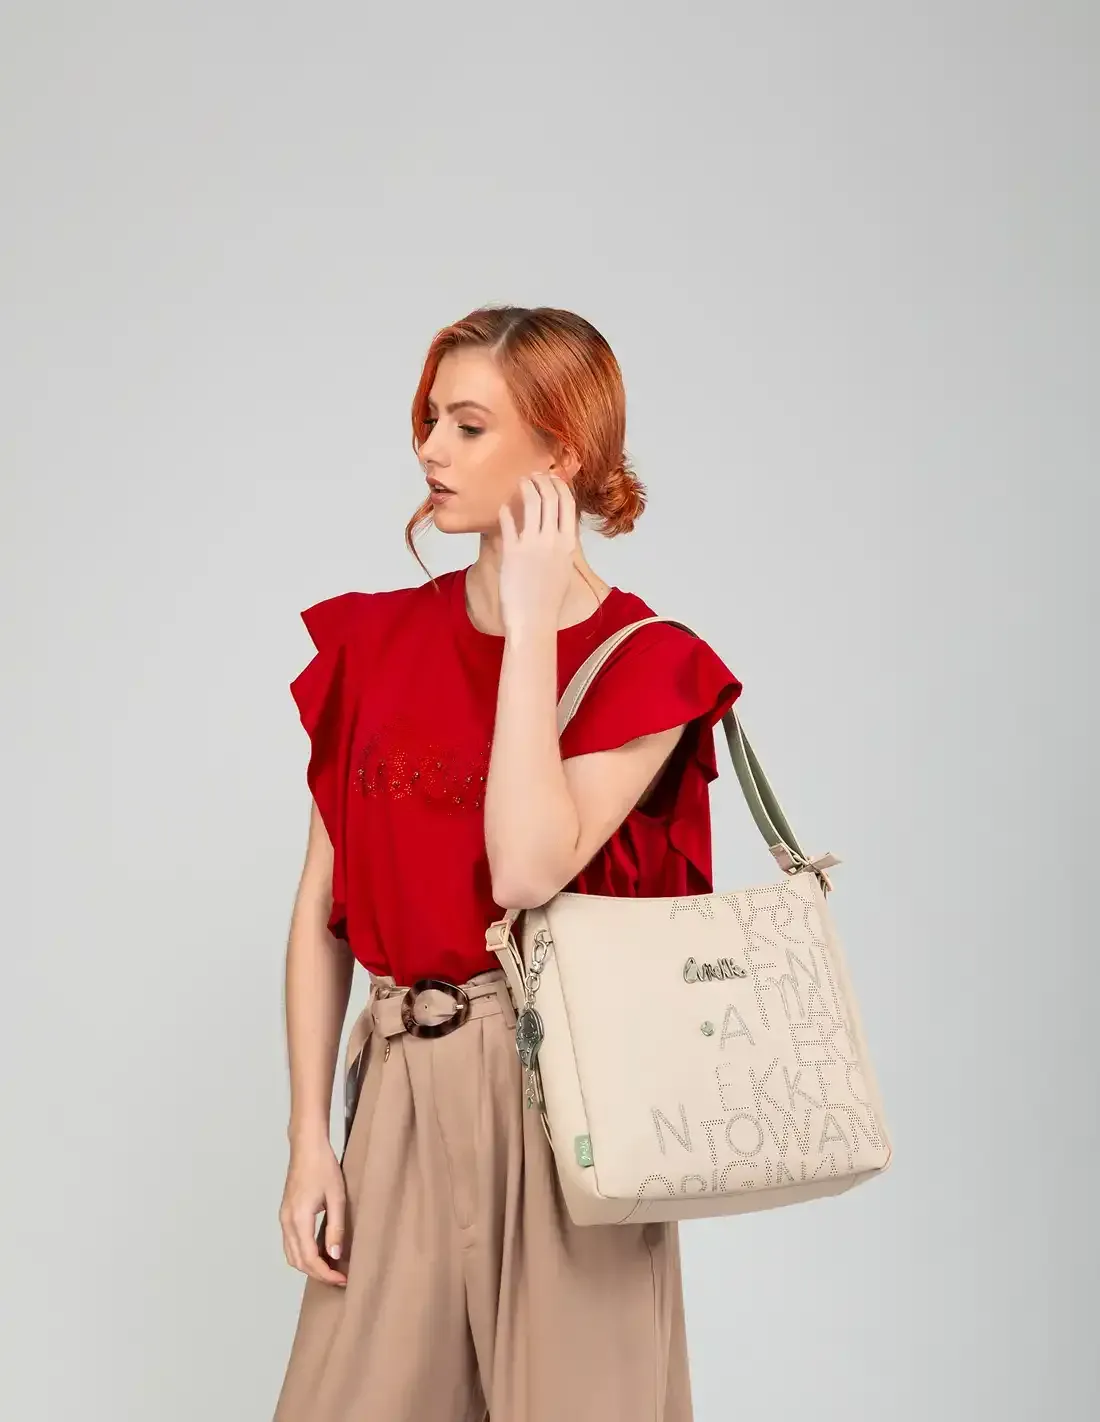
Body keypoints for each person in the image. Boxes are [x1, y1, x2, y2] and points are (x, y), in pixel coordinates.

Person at [271, 305, 742, 1422]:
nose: (430, 448)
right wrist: (307, 1141)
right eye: (431, 418)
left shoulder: (649, 667)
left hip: (572, 1103)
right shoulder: (375, 646)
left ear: (558, 453)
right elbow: (319, 912)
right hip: (400, 1088)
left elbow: (525, 870)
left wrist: (530, 628)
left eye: (469, 426)